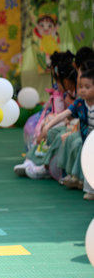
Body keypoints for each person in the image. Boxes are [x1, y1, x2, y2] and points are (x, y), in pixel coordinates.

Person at [15, 52, 75, 180]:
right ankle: (31, 160)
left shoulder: (75, 94)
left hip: (72, 124)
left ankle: (45, 165)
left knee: (54, 132)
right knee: (45, 128)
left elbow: (71, 114)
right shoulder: (68, 92)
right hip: (62, 119)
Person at [46, 65, 94, 198]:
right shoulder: (80, 103)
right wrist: (47, 126)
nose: (82, 90)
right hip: (87, 141)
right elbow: (63, 115)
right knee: (90, 164)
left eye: (87, 87)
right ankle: (90, 190)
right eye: (81, 86)